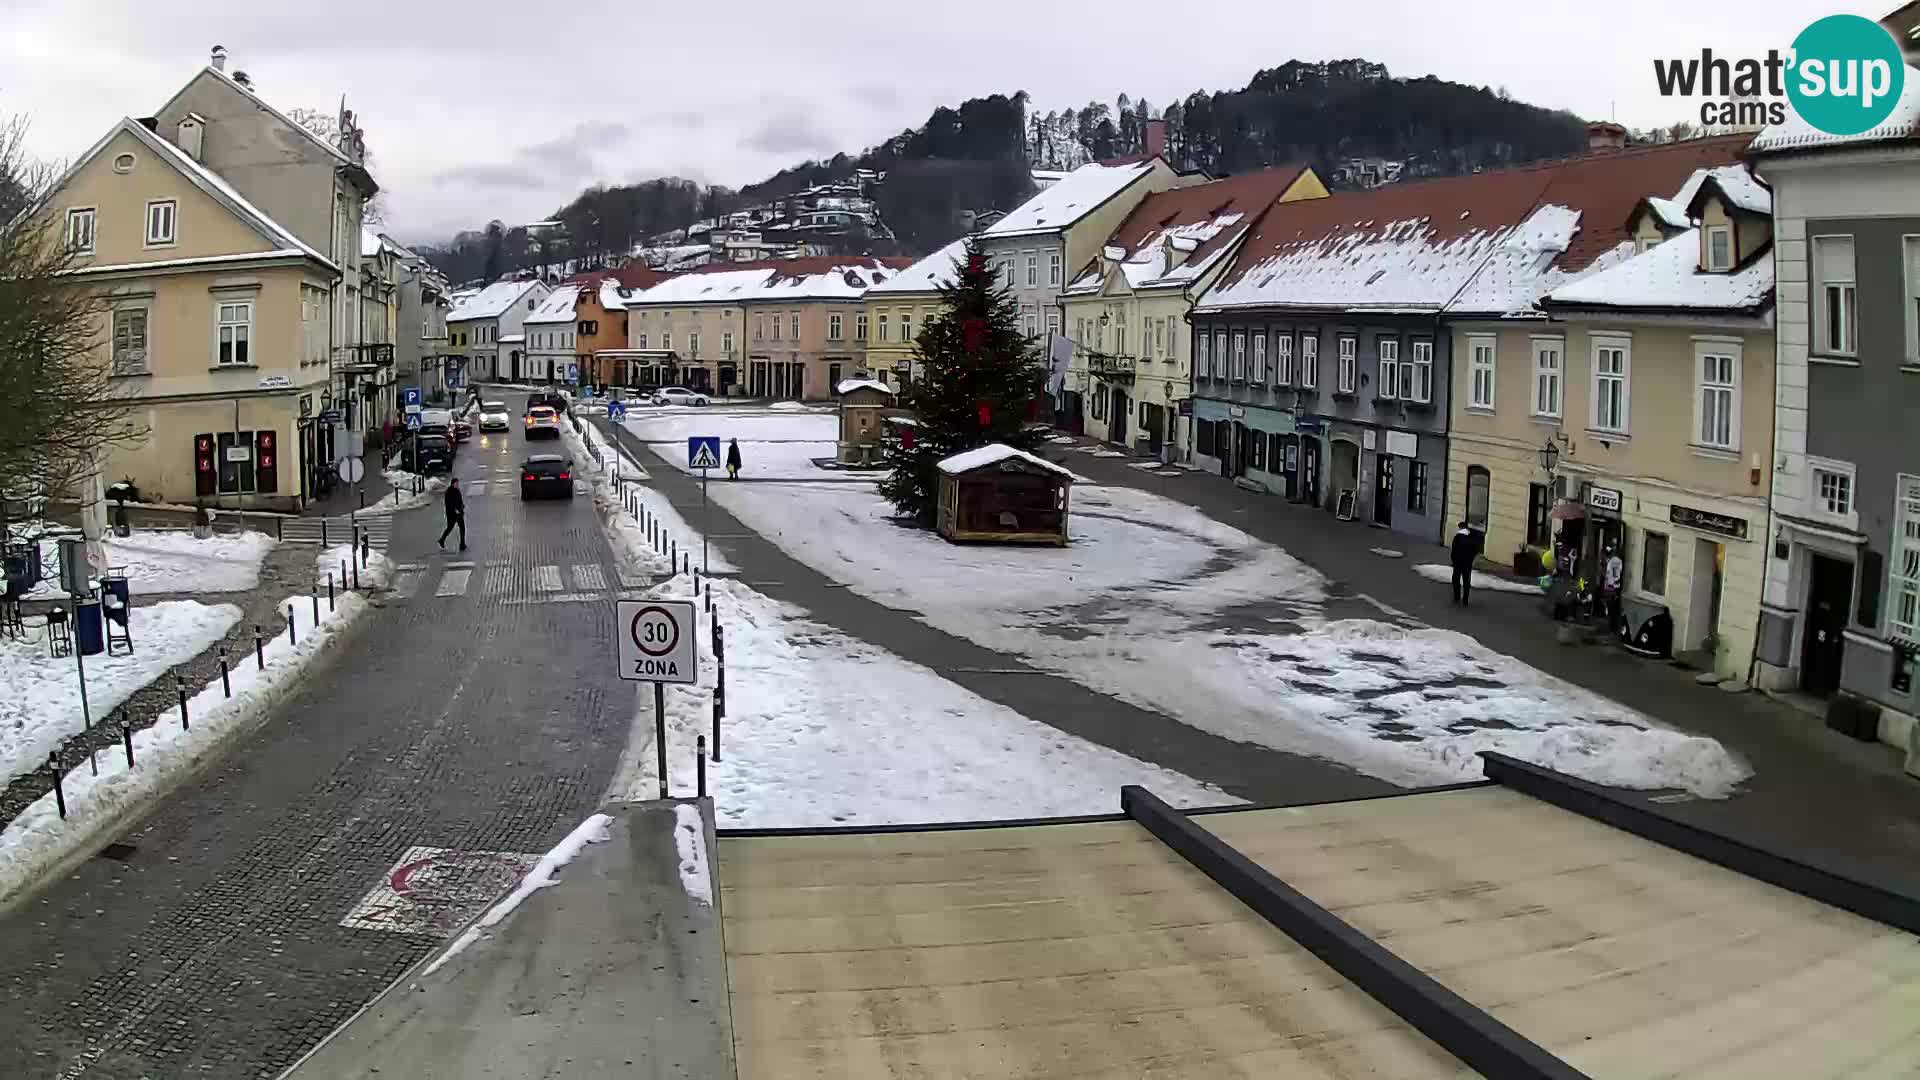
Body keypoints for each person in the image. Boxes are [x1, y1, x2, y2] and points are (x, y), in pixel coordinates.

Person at [1449, 520, 1480, 606]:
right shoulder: (1473, 537)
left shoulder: (1458, 537)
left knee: (1456, 579)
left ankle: (1457, 597)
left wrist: (1454, 561)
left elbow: (1454, 550)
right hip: (1467, 563)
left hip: (1458, 562)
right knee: (1466, 581)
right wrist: (1471, 559)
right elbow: (1476, 550)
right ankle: (1465, 600)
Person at [437, 477, 467, 551]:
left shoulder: (457, 490)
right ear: (453, 483)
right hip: (453, 514)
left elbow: (459, 500)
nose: (457, 485)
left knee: (460, 528)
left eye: (458, 483)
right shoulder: (449, 492)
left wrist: (462, 506)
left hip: (458, 513)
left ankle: (462, 544)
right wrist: (455, 509)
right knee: (451, 527)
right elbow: (449, 503)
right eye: (456, 483)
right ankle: (442, 540)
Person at [1602, 545, 1625, 630]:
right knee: (1611, 607)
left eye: (1607, 553)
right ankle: (1612, 625)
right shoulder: (1612, 560)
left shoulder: (1614, 561)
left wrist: (1614, 584)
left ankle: (1612, 626)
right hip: (1612, 587)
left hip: (1613, 587)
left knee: (1612, 607)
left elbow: (1615, 574)